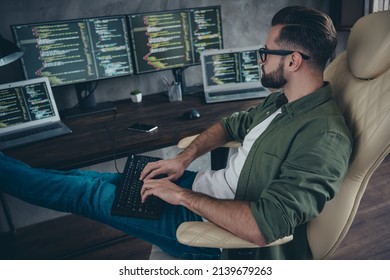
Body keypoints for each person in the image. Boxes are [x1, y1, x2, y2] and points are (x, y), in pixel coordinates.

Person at [0, 6, 352, 260]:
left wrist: (181, 197)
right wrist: (183, 161)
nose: (259, 58)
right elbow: (229, 124)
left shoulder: (324, 136)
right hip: (206, 192)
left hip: (219, 235)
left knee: (83, 193)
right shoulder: (282, 102)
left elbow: (265, 226)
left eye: (265, 52)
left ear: (292, 61)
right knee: (91, 180)